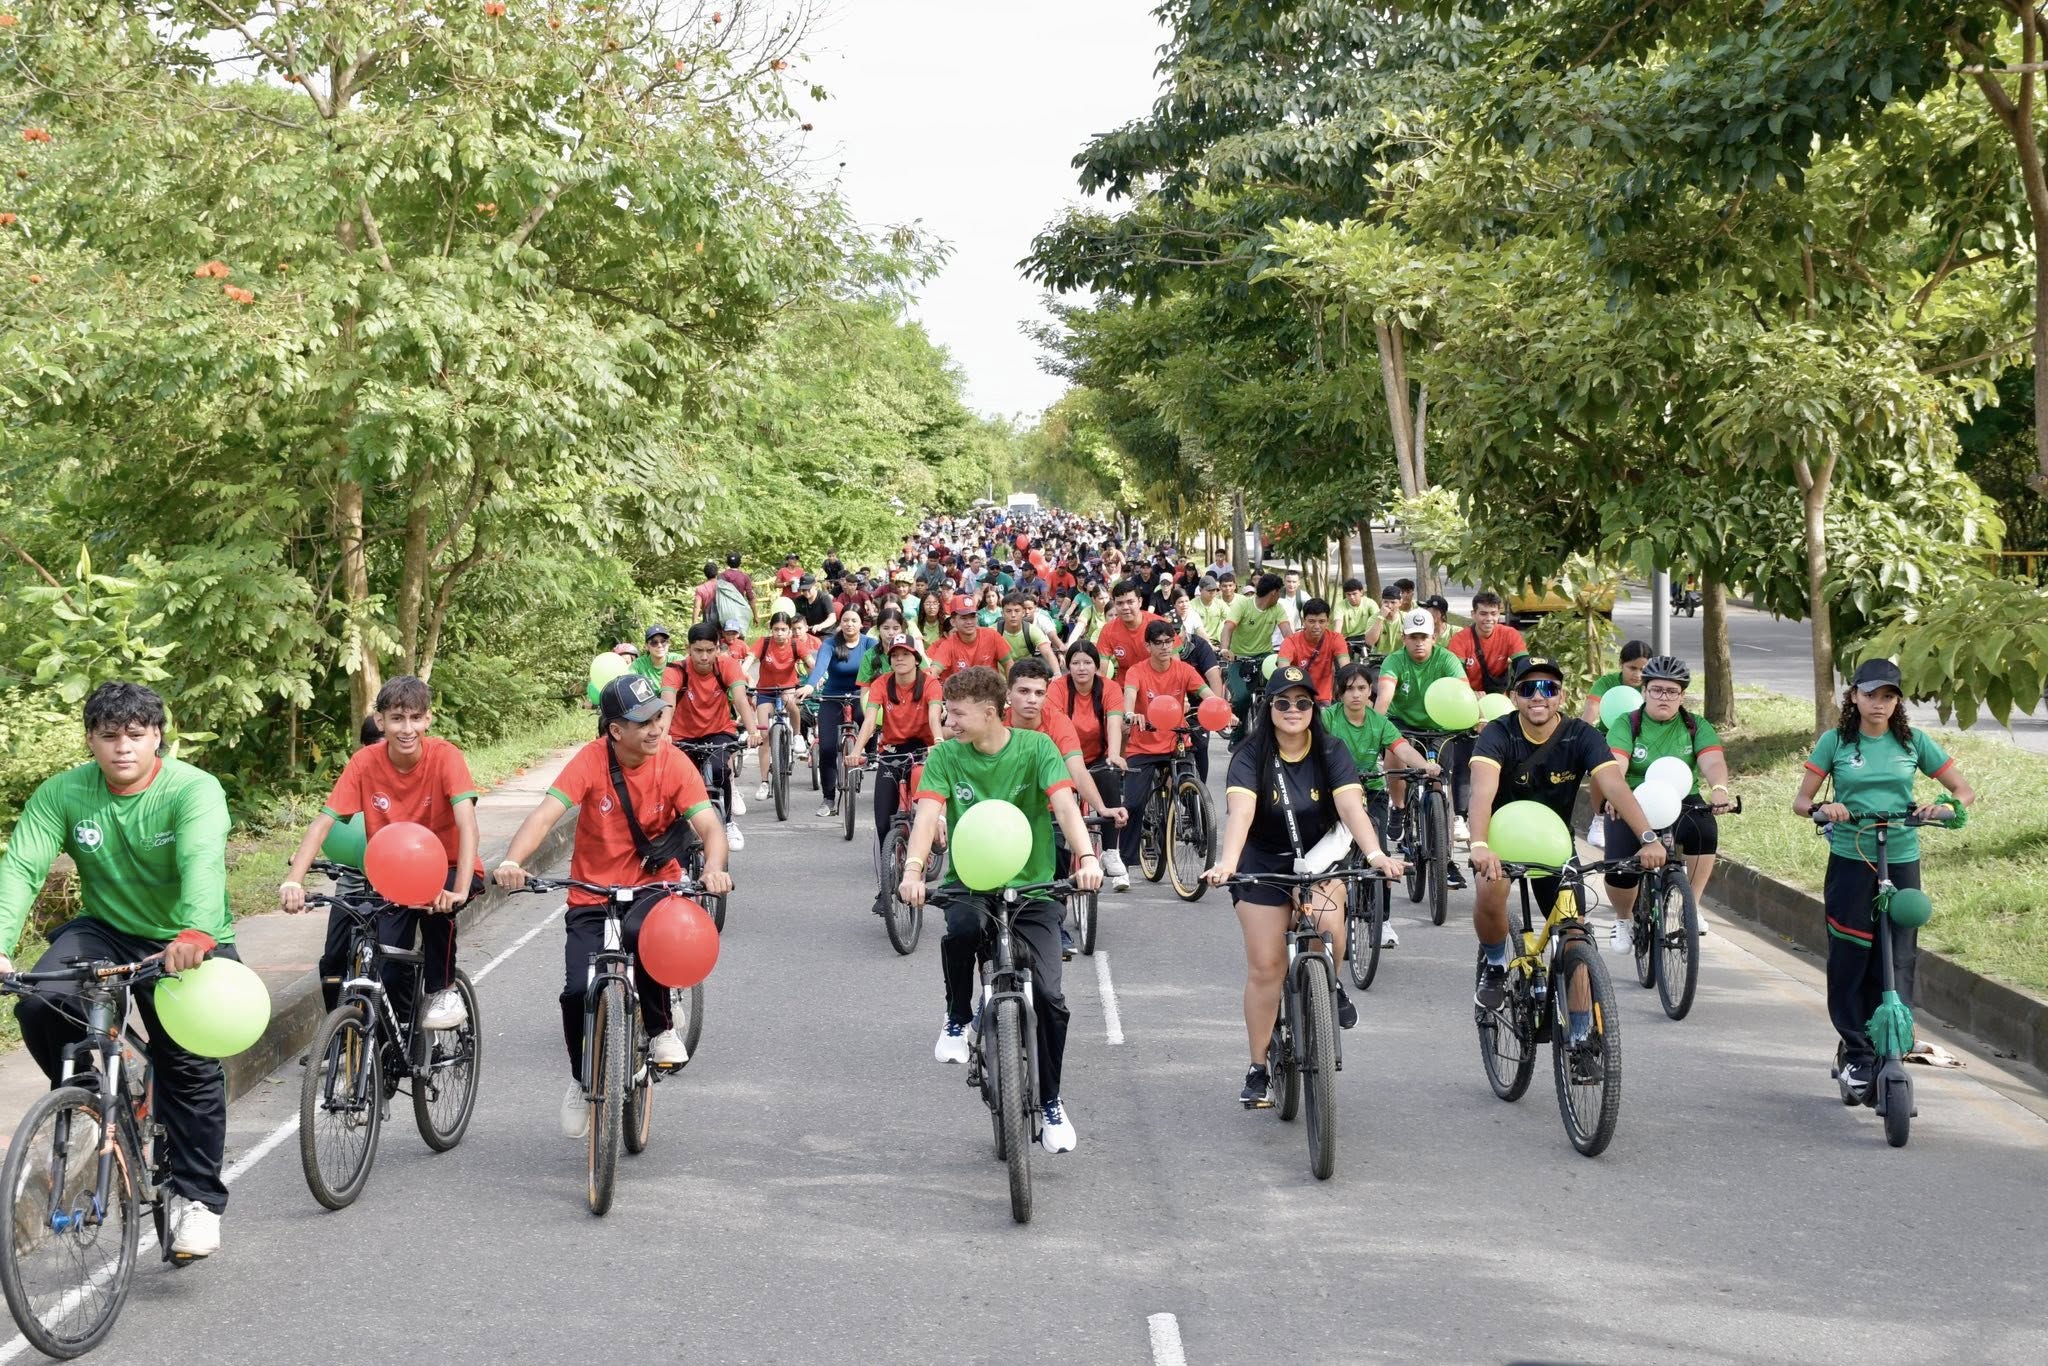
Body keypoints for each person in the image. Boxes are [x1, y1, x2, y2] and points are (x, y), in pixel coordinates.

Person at [0, 682, 236, 1259]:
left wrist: (197, 929)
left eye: (135, 734)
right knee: (39, 999)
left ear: (158, 736)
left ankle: (197, 1199)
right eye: (108, 736)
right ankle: (86, 1096)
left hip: (186, 936)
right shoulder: (63, 793)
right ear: (91, 741)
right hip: (105, 928)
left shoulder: (193, 789)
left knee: (189, 1064)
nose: (122, 748)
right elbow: (22, 866)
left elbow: (201, 859)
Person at [492, 674, 733, 1138]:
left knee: (650, 941)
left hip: (653, 885)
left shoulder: (674, 763)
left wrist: (715, 868)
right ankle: (583, 1080)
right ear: (614, 730)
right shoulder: (589, 762)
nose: (655, 728)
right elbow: (545, 814)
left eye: (657, 717)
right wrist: (510, 861)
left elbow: (709, 826)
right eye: (641, 721)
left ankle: (661, 1027)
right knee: (575, 993)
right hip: (591, 893)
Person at [900, 667, 1103, 1155]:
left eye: (957, 712)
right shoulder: (946, 756)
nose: (948, 721)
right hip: (971, 880)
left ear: (988, 713)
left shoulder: (1036, 749)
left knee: (1052, 999)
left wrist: (1088, 858)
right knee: (962, 928)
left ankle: (1051, 1102)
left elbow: (1065, 807)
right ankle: (956, 1018)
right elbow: (928, 815)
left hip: (1033, 886)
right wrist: (912, 869)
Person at [1203, 665, 1404, 1105]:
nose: (1293, 710)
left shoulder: (1330, 750)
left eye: (1302, 702)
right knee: (1266, 967)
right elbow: (1241, 815)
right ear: (1267, 707)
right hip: (1262, 861)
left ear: (1314, 708)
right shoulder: (1249, 755)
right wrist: (1226, 865)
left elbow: (1352, 809)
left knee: (1331, 929)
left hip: (1320, 857)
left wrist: (1376, 856)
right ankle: (1258, 1067)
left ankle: (1324, 988)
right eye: (1283, 702)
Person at [1467, 658, 1666, 1071]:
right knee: (1491, 891)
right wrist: (1481, 844)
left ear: (1562, 695)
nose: (1538, 696)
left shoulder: (1582, 734)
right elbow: (1482, 794)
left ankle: (1580, 1037)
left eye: (1548, 688)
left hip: (1555, 845)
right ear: (1513, 697)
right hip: (1503, 844)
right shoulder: (1498, 735)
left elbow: (1613, 784)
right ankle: (1495, 962)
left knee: (1575, 937)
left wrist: (1647, 836)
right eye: (1528, 689)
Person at [1791, 658, 1976, 1100]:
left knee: (1897, 955)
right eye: (1871, 694)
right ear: (1854, 696)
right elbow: (1801, 802)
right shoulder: (1835, 742)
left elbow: (1962, 790)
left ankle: (1890, 1043)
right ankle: (1855, 1052)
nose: (1879, 703)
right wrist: (1826, 808)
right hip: (1852, 859)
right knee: (1852, 954)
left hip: (1902, 857)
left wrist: (1944, 805)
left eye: (1889, 696)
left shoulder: (1912, 742)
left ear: (1897, 701)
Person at [281, 675, 481, 1033]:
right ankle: (396, 1040)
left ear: (428, 719)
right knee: (387, 962)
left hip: (448, 868)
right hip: (395, 876)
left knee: (437, 910)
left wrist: (460, 889)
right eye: (397, 719)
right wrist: (293, 881)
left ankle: (443, 990)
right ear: (381, 721)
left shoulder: (445, 756)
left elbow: (467, 823)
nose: (407, 729)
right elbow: (323, 823)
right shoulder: (365, 763)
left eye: (415, 718)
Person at [1601, 655, 1735, 951]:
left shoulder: (1694, 725)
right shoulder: (1628, 723)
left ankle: (1692, 908)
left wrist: (1720, 789)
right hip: (1634, 798)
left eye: (1672, 691)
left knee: (1706, 830)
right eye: (1657, 690)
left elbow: (1712, 760)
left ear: (1682, 695)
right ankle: (1623, 920)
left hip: (1680, 797)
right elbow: (1617, 763)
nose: (1664, 697)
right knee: (1620, 868)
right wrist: (1616, 794)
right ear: (1644, 691)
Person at [1322, 661, 1438, 948]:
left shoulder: (1379, 722)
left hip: (1372, 791)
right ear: (1339, 693)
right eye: (1349, 689)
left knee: (1382, 854)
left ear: (1371, 692)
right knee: (1331, 857)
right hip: (1333, 793)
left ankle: (1383, 920)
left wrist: (1425, 766)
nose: (1356, 695)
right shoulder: (1328, 718)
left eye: (1362, 688)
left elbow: (1401, 748)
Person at [1116, 619, 1221, 877]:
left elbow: (1207, 693)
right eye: (1158, 643)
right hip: (1143, 743)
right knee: (1134, 803)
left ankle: (1201, 837)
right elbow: (1129, 697)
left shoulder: (1184, 669)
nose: (1164, 647)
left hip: (1176, 740)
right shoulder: (1137, 672)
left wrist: (1222, 709)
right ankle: (1124, 863)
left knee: (1191, 789)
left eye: (1168, 642)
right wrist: (1130, 714)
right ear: (1148, 646)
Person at [848, 635, 944, 913]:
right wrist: (856, 750)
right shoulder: (881, 684)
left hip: (924, 749)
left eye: (906, 654)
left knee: (923, 807)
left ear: (916, 658)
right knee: (882, 823)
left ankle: (929, 843)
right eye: (895, 655)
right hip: (891, 750)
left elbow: (934, 716)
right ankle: (886, 887)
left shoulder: (930, 683)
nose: (900, 659)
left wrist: (938, 742)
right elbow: (869, 721)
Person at [663, 620, 755, 851]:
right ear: (688, 649)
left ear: (717, 648)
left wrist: (753, 731)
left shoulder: (727, 666)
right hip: (682, 735)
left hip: (718, 731)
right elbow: (667, 705)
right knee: (681, 783)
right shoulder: (675, 671)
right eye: (698, 651)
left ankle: (728, 823)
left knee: (719, 769)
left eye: (709, 650)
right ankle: (679, 833)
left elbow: (741, 699)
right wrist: (663, 734)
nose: (704, 657)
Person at [1049, 640, 1129, 889]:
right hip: (1062, 756)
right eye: (1075, 663)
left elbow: (1114, 721)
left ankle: (1111, 850)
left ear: (1097, 666)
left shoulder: (1110, 687)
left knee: (1109, 777)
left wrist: (1114, 754)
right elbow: (1053, 724)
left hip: (1097, 755)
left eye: (1087, 663)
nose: (1081, 668)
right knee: (1057, 803)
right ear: (1067, 665)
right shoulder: (1058, 688)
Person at [800, 610, 876, 819]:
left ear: (861, 623)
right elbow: (820, 667)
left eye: (854, 620)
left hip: (861, 695)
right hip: (832, 696)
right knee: (826, 747)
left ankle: (869, 753)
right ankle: (828, 798)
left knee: (871, 720)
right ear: (840, 623)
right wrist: (809, 686)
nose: (849, 624)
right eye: (845, 620)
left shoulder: (870, 644)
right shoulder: (830, 644)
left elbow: (880, 667)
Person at [747, 612, 817, 802]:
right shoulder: (764, 642)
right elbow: (748, 662)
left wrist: (813, 681)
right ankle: (763, 782)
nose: (779, 633)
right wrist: (741, 677)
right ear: (771, 629)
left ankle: (797, 735)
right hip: (765, 690)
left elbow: (811, 663)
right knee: (764, 737)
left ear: (789, 631)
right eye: (776, 629)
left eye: (784, 630)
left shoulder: (796, 645)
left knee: (791, 702)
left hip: (787, 688)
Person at [1218, 573, 1292, 740]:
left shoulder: (1277, 609)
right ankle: (1237, 736)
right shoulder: (1243, 605)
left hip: (1265, 657)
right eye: (1279, 592)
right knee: (1242, 698)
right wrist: (1224, 649)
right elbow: (1228, 628)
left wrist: (1293, 649)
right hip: (1239, 659)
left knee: (1276, 691)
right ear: (1273, 592)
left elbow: (1287, 632)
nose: (1279, 596)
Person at [1276, 597, 1351, 704]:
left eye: (1321, 621)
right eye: (1311, 621)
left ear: (1328, 622)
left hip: (1323, 700)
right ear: (1303, 621)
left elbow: (1346, 668)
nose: (1317, 626)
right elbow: (1282, 670)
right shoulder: (1290, 642)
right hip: (1297, 699)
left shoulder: (1336, 639)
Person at [928, 595, 1013, 681]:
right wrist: (931, 675)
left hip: (990, 691)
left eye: (972, 617)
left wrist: (1011, 689)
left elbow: (1008, 663)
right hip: (962, 692)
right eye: (963, 618)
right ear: (953, 622)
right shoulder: (948, 644)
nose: (969, 622)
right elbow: (935, 668)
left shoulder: (992, 636)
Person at [1093, 579, 1161, 680]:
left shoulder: (1160, 625)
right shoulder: (1108, 630)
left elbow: (1175, 666)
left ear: (1140, 602)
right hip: (1124, 686)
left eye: (1130, 602)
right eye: (1119, 603)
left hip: (1156, 684)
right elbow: (1100, 673)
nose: (1125, 607)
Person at [1583, 639, 1653, 728]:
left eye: (1643, 670)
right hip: (1606, 737)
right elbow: (1592, 707)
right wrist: (1581, 733)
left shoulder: (1652, 686)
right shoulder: (1607, 682)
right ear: (1621, 663)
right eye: (1632, 668)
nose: (1638, 675)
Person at [999, 592, 1063, 675]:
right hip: (1000, 678)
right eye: (1008, 611)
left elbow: (1047, 652)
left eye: (1017, 611)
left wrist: (1057, 673)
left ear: (1023, 612)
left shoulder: (1032, 630)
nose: (1013, 615)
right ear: (1002, 613)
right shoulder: (993, 631)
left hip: (1024, 675)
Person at [1334, 578, 1379, 655]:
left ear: (1361, 592)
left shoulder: (1370, 603)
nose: (1351, 597)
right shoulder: (1340, 606)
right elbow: (1338, 626)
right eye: (1348, 594)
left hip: (1366, 637)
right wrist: (1337, 639)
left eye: (1354, 594)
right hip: (1348, 639)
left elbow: (1378, 621)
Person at [717, 552, 757, 625]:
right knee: (738, 633)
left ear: (728, 563)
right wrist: (755, 615)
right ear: (740, 563)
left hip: (724, 610)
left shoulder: (721, 576)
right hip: (739, 610)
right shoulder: (745, 577)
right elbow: (750, 597)